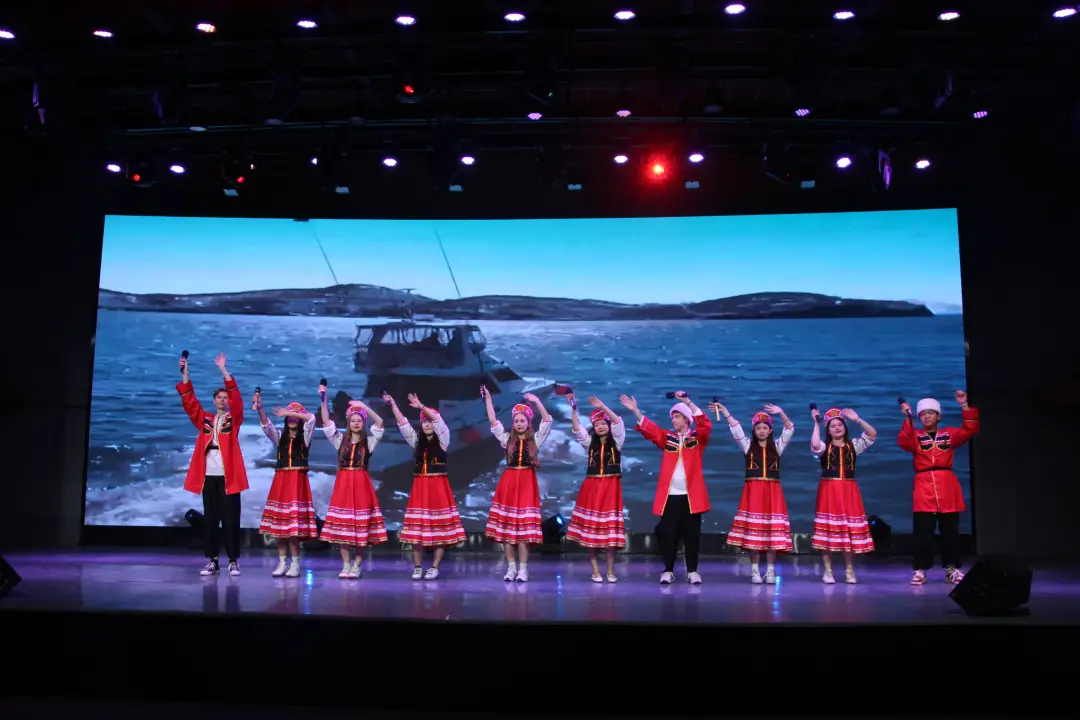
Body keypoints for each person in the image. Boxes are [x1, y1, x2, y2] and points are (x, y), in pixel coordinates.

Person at [619, 391, 712, 585]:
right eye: (672, 417)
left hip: (691, 497)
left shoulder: (697, 438)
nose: (673, 420)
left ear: (686, 419)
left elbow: (705, 424)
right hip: (670, 496)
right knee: (669, 534)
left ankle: (692, 571)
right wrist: (636, 411)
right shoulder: (668, 438)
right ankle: (668, 570)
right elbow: (651, 430)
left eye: (677, 416)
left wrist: (687, 401)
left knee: (692, 536)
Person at [176, 352, 249, 577]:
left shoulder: (233, 420)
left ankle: (233, 561)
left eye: (225, 397)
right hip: (208, 476)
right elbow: (190, 404)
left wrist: (223, 370)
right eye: (219, 397)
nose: (223, 400)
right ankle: (213, 561)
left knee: (231, 520)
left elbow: (238, 401)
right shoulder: (206, 419)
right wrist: (185, 374)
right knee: (211, 521)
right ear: (214, 400)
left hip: (228, 477)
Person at [898, 390, 980, 585]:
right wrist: (908, 417)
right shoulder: (916, 436)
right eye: (922, 414)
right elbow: (904, 442)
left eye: (930, 413)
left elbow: (970, 429)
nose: (926, 417)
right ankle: (920, 570)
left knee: (950, 532)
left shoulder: (949, 434)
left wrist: (964, 405)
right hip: (924, 485)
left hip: (946, 485)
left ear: (938, 416)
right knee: (923, 533)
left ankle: (952, 569)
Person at [384, 391, 466, 580]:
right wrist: (393, 404)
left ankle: (435, 567)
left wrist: (421, 407)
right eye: (424, 422)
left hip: (438, 487)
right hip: (420, 487)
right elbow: (403, 424)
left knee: (440, 530)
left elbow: (438, 420)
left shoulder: (444, 439)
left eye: (430, 421)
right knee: (416, 528)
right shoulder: (416, 442)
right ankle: (418, 566)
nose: (428, 424)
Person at [483, 387, 553, 582]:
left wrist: (537, 401)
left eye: (523, 421)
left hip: (526, 484)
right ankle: (511, 568)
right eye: (516, 421)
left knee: (523, 532)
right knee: (507, 530)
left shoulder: (535, 440)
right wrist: (488, 398)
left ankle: (523, 569)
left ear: (528, 423)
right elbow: (493, 421)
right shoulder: (507, 440)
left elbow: (547, 421)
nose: (519, 423)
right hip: (509, 483)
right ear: (513, 423)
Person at [720, 403, 795, 584]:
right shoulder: (748, 446)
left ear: (770, 430)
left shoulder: (777, 447)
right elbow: (736, 429)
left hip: (772, 493)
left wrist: (781, 413)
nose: (761, 431)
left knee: (771, 534)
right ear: (754, 430)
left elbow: (789, 429)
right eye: (758, 428)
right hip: (753, 492)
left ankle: (770, 571)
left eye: (765, 428)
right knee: (753, 533)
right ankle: (754, 571)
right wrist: (726, 412)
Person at [319, 384, 387, 579]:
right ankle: (346, 564)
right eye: (353, 420)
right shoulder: (340, 440)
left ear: (363, 423)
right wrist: (323, 398)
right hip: (343, 485)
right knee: (343, 527)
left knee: (359, 527)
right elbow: (326, 421)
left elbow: (380, 423)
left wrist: (363, 406)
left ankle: (357, 564)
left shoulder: (369, 442)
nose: (356, 423)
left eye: (359, 420)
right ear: (348, 422)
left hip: (361, 485)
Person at [809, 406, 878, 584]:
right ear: (828, 430)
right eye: (833, 426)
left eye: (840, 425)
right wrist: (816, 423)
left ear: (845, 427)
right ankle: (828, 571)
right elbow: (815, 445)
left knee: (849, 530)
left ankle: (849, 571)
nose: (837, 428)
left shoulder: (853, 445)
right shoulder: (825, 447)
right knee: (828, 530)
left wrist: (858, 420)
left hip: (849, 490)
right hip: (829, 490)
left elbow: (872, 434)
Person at [255, 392, 318, 577]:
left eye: (295, 416)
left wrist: (291, 412)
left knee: (293, 528)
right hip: (281, 482)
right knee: (280, 527)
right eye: (289, 416)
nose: (291, 419)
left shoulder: (306, 436)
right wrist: (260, 408)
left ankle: (295, 564)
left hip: (297, 483)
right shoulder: (280, 436)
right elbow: (266, 426)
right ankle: (282, 562)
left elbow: (312, 419)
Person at [566, 394, 627, 583]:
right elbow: (577, 429)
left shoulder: (617, 441)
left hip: (610, 487)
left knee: (609, 532)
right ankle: (595, 570)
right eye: (597, 424)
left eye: (603, 423)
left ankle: (610, 570)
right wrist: (574, 409)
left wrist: (602, 405)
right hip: (592, 487)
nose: (600, 426)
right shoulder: (590, 443)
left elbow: (618, 422)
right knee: (591, 531)